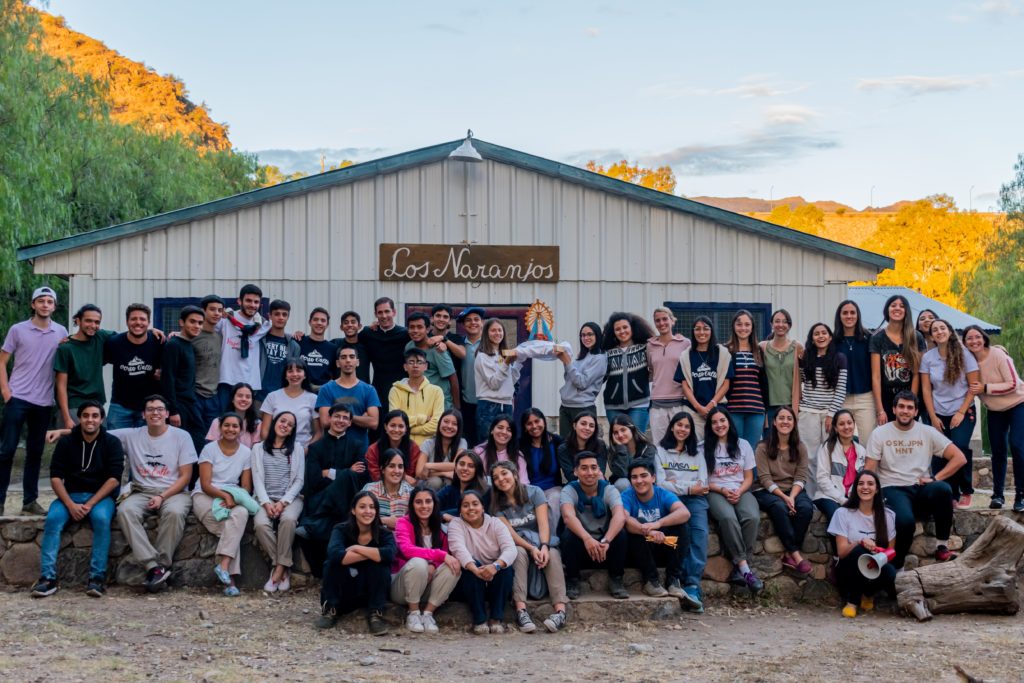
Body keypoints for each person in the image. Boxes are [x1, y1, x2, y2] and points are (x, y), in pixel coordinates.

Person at [31, 401, 123, 598]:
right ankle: (48, 579)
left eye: (95, 416)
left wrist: (89, 504)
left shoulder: (112, 443)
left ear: (101, 419)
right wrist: (70, 504)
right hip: (69, 496)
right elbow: (55, 477)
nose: (90, 420)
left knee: (101, 519)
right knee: (53, 520)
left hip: (100, 497)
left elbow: (114, 479)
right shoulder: (67, 442)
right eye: (86, 415)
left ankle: (96, 579)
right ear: (79, 418)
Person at [864, 391, 967, 566]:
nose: (905, 411)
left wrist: (935, 478)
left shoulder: (927, 432)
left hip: (920, 488)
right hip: (892, 488)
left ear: (916, 412)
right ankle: (897, 566)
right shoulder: (880, 433)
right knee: (905, 522)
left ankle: (942, 547)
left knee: (943, 489)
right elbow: (869, 470)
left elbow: (960, 458)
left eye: (910, 408)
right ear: (894, 409)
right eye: (901, 407)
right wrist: (865, 500)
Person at [109, 394, 197, 591]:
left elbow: (186, 476)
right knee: (125, 511)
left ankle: (163, 565)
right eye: (150, 409)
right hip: (142, 490)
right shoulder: (132, 435)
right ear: (143, 414)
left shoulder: (181, 436)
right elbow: (96, 431)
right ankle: (153, 566)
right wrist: (62, 431)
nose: (155, 413)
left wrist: (162, 497)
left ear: (167, 414)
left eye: (159, 409)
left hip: (174, 491)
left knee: (174, 513)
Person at [0, 286, 67, 516]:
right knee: (6, 451)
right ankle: (0, 501)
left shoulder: (60, 332)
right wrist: (6, 393)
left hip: (43, 402)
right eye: (41, 301)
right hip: (17, 398)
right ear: (33, 304)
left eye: (49, 301)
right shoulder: (18, 330)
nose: (45, 305)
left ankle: (29, 501)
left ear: (54, 306)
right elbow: (2, 361)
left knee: (35, 453)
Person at [490, 461, 570, 633]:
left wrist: (543, 547)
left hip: (540, 540)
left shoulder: (535, 492)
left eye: (504, 473)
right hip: (518, 544)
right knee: (517, 553)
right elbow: (511, 534)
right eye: (496, 478)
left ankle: (560, 612)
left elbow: (544, 525)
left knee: (553, 554)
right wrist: (531, 549)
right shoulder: (496, 505)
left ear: (515, 474)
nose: (501, 479)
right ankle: (521, 610)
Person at [297, 404, 367, 575]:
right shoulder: (315, 448)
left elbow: (360, 477)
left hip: (345, 500)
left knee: (349, 479)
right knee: (347, 478)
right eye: (337, 416)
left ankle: (313, 525)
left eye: (345, 418)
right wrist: (346, 472)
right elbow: (313, 480)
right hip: (322, 498)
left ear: (350, 423)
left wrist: (331, 473)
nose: (340, 421)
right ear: (329, 418)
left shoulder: (357, 446)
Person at [316, 490, 395, 635]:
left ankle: (376, 614)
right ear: (353, 510)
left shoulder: (384, 533)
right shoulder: (340, 529)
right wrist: (373, 554)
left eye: (372, 507)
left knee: (380, 566)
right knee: (331, 564)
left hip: (370, 591)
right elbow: (336, 555)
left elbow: (389, 554)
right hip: (345, 590)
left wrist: (358, 548)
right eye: (362, 507)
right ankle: (331, 609)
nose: (368, 511)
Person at [963, 325, 1024, 511]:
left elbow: (1013, 383)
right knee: (998, 451)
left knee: (1017, 445)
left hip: (1018, 403)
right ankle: (998, 495)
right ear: (965, 343)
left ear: (984, 338)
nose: (974, 341)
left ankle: (1020, 495)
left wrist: (986, 388)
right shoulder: (968, 363)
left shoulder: (998, 355)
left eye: (977, 337)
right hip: (995, 410)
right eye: (969, 339)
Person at [192, 412, 254, 596]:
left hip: (232, 496)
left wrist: (233, 498)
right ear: (220, 428)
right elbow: (205, 483)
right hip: (205, 495)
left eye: (235, 426)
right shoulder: (209, 449)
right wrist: (224, 496)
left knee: (241, 514)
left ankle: (224, 567)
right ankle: (230, 580)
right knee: (232, 529)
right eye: (227, 425)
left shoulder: (246, 452)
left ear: (240, 430)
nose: (230, 429)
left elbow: (245, 486)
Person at [920, 319, 979, 508]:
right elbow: (926, 390)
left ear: (950, 331)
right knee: (941, 453)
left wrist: (961, 412)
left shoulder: (965, 354)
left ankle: (966, 490)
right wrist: (932, 417)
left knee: (959, 447)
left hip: (963, 410)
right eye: (935, 330)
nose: (939, 332)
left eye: (942, 328)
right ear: (932, 336)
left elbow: (973, 387)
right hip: (938, 412)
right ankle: (950, 494)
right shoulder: (928, 358)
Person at [654, 411, 708, 612]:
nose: (682, 429)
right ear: (672, 427)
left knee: (700, 535)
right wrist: (687, 487)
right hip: (672, 500)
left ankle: (692, 585)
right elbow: (660, 483)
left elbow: (703, 484)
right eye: (679, 425)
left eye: (687, 426)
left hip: (696, 500)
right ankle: (675, 579)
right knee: (681, 533)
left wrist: (676, 483)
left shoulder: (697, 453)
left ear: (691, 430)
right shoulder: (660, 451)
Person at [704, 406, 763, 594]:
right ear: (709, 426)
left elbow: (749, 477)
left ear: (729, 422)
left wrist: (738, 491)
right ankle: (745, 568)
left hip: (741, 489)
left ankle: (739, 568)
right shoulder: (702, 446)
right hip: (715, 491)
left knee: (752, 517)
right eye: (714, 422)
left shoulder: (743, 444)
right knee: (728, 519)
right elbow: (703, 480)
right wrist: (722, 489)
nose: (719, 425)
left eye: (722, 420)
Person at [753, 406, 814, 577]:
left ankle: (788, 554)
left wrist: (792, 497)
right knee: (779, 507)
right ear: (774, 421)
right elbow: (765, 479)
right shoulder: (762, 447)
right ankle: (796, 555)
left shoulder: (800, 447)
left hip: (793, 489)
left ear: (794, 423)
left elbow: (801, 476)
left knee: (806, 509)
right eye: (781, 418)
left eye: (789, 418)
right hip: (767, 490)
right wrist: (785, 498)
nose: (785, 421)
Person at [391, 485, 461, 634]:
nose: (424, 506)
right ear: (412, 505)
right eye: (419, 502)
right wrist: (438, 556)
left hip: (427, 588)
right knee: (418, 563)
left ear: (434, 504)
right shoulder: (403, 523)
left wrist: (434, 565)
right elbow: (407, 550)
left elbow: (447, 553)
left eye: (428, 501)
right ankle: (414, 613)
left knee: (454, 566)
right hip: (402, 588)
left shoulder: (441, 528)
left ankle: (428, 614)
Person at [560, 451, 629, 600]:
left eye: (593, 467)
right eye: (584, 468)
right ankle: (572, 580)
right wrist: (586, 538)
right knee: (568, 534)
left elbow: (619, 516)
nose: (590, 472)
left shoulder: (609, 489)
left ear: (599, 470)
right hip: (582, 547)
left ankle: (616, 579)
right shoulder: (569, 490)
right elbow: (568, 517)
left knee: (621, 534)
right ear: (575, 471)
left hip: (605, 548)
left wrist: (607, 540)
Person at [828, 470, 897, 618]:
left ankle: (868, 594)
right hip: (848, 569)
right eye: (861, 484)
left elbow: (890, 552)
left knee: (891, 573)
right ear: (855, 488)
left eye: (870, 484)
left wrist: (877, 551)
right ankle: (852, 602)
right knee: (860, 551)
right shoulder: (842, 513)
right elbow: (841, 552)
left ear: (877, 489)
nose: (865, 487)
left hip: (874, 567)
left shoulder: (888, 516)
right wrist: (859, 542)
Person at [448, 489, 517, 634]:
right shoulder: (456, 524)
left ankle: (496, 618)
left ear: (483, 507)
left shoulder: (495, 523)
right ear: (460, 509)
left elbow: (511, 549)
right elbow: (458, 549)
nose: (471, 508)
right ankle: (479, 620)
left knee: (506, 568)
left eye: (475, 504)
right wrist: (475, 569)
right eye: (465, 505)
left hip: (495, 579)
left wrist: (495, 566)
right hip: (471, 582)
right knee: (468, 567)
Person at [622, 457, 692, 598]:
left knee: (682, 527)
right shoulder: (626, 496)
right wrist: (647, 530)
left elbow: (684, 513)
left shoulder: (663, 494)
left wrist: (657, 524)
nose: (639, 481)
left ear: (653, 478)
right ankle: (651, 581)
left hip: (663, 547)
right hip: (639, 551)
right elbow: (624, 519)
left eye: (644, 476)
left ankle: (673, 580)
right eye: (634, 477)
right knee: (636, 524)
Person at [252, 412, 305, 593]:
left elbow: (299, 480)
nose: (285, 425)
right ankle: (282, 565)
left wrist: (282, 503)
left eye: (290, 424)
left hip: (290, 499)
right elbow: (257, 479)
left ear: (292, 430)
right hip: (264, 498)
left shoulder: (297, 449)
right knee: (260, 524)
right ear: (274, 422)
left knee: (288, 520)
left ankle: (278, 570)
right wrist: (267, 503)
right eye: (282, 421)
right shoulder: (258, 448)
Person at [794, 322, 848, 496]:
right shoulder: (806, 357)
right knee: (809, 457)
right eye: (816, 333)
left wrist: (832, 414)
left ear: (830, 337)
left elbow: (840, 390)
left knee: (830, 456)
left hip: (828, 414)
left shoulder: (839, 358)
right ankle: (811, 496)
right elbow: (801, 382)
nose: (820, 336)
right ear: (812, 338)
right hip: (808, 413)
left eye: (824, 333)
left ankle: (831, 495)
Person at [102, 304, 163, 430]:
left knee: (147, 446)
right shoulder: (114, 343)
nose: (138, 322)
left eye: (142, 319)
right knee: (116, 444)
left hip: (149, 407)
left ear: (149, 322)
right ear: (127, 321)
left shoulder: (159, 342)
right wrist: (71, 339)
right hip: (120, 405)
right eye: (133, 319)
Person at [54, 304, 114, 430]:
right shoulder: (66, 348)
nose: (93, 325)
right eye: (88, 321)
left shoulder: (100, 337)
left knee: (98, 447)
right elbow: (60, 385)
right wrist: (66, 418)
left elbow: (129, 337)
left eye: (97, 322)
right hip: (73, 406)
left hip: (97, 404)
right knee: (73, 448)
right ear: (78, 321)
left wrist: (150, 331)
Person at [870, 294, 925, 424]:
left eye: (901, 306)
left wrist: (912, 402)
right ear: (887, 310)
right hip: (887, 398)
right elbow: (876, 376)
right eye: (893, 305)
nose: (897, 308)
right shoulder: (877, 338)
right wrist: (880, 409)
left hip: (910, 395)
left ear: (906, 311)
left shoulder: (916, 337)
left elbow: (917, 374)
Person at [216, 283, 271, 410]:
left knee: (247, 424)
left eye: (256, 302)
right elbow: (205, 330)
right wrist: (180, 333)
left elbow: (280, 331)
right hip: (227, 381)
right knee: (225, 422)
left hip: (250, 383)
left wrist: (298, 334)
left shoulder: (263, 325)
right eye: (248, 300)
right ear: (239, 301)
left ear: (260, 305)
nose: (252, 305)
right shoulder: (226, 319)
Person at [315, 345, 380, 452]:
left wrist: (338, 417)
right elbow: (325, 422)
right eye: (344, 357)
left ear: (357, 362)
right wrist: (358, 418)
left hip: (359, 450)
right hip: (332, 449)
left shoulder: (369, 390)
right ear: (337, 363)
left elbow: (373, 423)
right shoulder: (326, 389)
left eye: (351, 357)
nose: (348, 360)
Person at [359, 297, 412, 428]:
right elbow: (349, 341)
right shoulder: (368, 333)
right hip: (377, 389)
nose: (384, 316)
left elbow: (424, 341)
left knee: (400, 425)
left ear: (394, 312)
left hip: (401, 388)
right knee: (378, 428)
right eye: (380, 312)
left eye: (387, 311)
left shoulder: (405, 334)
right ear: (375, 314)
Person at [161, 305, 206, 456]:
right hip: (178, 406)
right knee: (179, 450)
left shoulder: (188, 345)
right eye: (192, 322)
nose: (197, 326)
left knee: (196, 446)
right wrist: (172, 411)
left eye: (200, 323)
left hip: (191, 403)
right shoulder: (173, 345)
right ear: (181, 322)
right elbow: (168, 379)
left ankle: (192, 480)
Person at [677, 316, 733, 437]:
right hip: (692, 410)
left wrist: (711, 405)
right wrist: (698, 407)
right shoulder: (686, 355)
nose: (701, 332)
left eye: (705, 328)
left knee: (718, 446)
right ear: (693, 331)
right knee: (695, 446)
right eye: (697, 329)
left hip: (718, 409)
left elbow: (726, 384)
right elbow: (684, 385)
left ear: (711, 331)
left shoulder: (722, 353)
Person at [602, 312, 655, 433]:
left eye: (625, 327)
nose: (622, 331)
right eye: (617, 329)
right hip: (613, 406)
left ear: (632, 328)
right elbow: (601, 377)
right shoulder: (608, 352)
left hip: (639, 404)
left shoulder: (645, 348)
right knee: (619, 443)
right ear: (613, 332)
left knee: (636, 441)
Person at [813, 409, 867, 524]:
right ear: (836, 428)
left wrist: (853, 500)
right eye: (841, 424)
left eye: (849, 423)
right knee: (838, 517)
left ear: (854, 424)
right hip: (828, 496)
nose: (846, 427)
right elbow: (822, 479)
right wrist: (842, 500)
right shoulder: (827, 448)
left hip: (851, 497)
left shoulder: (861, 450)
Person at [555, 322, 607, 439]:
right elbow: (569, 379)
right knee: (565, 446)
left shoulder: (599, 358)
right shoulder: (582, 356)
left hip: (582, 408)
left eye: (590, 334)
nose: (586, 338)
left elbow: (581, 383)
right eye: (583, 335)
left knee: (584, 447)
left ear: (597, 336)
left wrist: (567, 361)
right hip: (566, 406)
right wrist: (566, 361)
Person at [834, 299, 876, 442]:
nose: (849, 316)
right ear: (839, 316)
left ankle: (867, 466)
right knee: (841, 442)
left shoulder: (869, 338)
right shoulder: (833, 341)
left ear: (858, 315)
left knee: (867, 441)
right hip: (840, 398)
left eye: (852, 312)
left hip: (865, 397)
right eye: (845, 313)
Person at [647, 308, 691, 444]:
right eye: (657, 320)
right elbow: (651, 370)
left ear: (672, 321)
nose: (661, 323)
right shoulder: (650, 345)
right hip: (657, 404)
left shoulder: (685, 344)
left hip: (679, 403)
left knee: (680, 444)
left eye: (665, 319)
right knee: (659, 446)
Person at [474, 318, 522, 441]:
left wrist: (520, 362)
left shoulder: (503, 354)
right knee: (487, 444)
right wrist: (506, 364)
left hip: (506, 405)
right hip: (488, 406)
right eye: (493, 330)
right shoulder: (482, 356)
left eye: (500, 330)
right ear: (486, 333)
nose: (497, 333)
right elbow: (494, 384)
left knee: (505, 444)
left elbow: (512, 380)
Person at [725, 310, 767, 448]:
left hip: (756, 410)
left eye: (747, 324)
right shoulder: (726, 350)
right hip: (733, 409)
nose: (743, 328)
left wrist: (765, 410)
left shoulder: (759, 350)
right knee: (734, 448)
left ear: (752, 327)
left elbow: (763, 384)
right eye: (739, 324)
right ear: (733, 326)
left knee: (751, 450)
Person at [389, 347, 445, 445]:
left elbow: (437, 424)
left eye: (419, 362)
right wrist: (422, 418)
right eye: (411, 362)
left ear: (426, 366)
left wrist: (407, 429)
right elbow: (395, 421)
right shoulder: (395, 390)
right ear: (405, 366)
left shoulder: (436, 391)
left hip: (428, 446)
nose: (415, 366)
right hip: (402, 444)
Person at [259, 360, 320, 448]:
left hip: (303, 451)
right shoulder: (272, 396)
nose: (294, 374)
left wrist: (306, 450)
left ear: (305, 375)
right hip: (275, 450)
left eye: (299, 371)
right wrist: (274, 449)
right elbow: (264, 431)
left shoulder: (313, 399)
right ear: (285, 375)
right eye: (290, 371)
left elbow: (318, 433)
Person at [406, 311, 459, 410]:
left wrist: (456, 408)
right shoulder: (409, 346)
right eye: (412, 327)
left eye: (419, 327)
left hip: (440, 404)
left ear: (428, 329)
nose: (415, 330)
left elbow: (453, 377)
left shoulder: (437, 350)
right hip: (418, 403)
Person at [760, 308, 802, 429]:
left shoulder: (797, 347)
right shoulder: (762, 347)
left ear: (789, 326)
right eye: (777, 321)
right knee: (770, 442)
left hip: (790, 405)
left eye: (785, 322)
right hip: (769, 406)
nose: (780, 325)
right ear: (771, 324)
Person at [519, 408, 563, 515]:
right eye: (529, 423)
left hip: (552, 489)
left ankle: (551, 532)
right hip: (529, 490)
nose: (534, 426)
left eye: (537, 421)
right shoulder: (519, 445)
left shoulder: (556, 442)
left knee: (555, 499)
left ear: (543, 421)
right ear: (525, 427)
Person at [257, 299, 301, 402]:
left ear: (288, 317)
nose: (281, 317)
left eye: (284, 315)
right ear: (270, 316)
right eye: (277, 314)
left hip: (283, 398)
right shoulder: (258, 340)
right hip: (259, 397)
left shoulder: (294, 346)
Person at [361, 449, 415, 529]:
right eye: (391, 466)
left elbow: (417, 522)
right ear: (382, 469)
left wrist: (400, 523)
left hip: (402, 538)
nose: (397, 471)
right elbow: (360, 517)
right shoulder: (369, 490)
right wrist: (384, 520)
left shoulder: (411, 493)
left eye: (400, 467)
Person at [365, 410, 422, 484]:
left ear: (406, 429)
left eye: (401, 426)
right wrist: (403, 477)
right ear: (385, 427)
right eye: (393, 425)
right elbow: (375, 475)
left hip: (406, 487)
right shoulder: (373, 449)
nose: (396, 430)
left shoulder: (413, 448)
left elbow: (411, 475)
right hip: (380, 485)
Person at [193, 295, 225, 428]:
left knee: (212, 437)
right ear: (203, 311)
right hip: (195, 395)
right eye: (212, 309)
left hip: (213, 396)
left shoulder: (221, 337)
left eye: (219, 310)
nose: (216, 313)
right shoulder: (193, 336)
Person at [417, 408, 468, 489]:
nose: (449, 426)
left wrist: (428, 466)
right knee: (436, 482)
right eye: (446, 421)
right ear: (440, 423)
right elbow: (419, 473)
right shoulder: (428, 443)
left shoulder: (462, 443)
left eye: (454, 424)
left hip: (449, 482)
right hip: (427, 486)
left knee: (450, 480)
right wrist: (444, 473)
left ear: (459, 428)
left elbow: (457, 465)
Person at [455, 307, 485, 445]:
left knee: (486, 441)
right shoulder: (459, 344)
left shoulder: (491, 343)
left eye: (476, 319)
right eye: (468, 320)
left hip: (487, 402)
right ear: (463, 324)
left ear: (482, 322)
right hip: (465, 403)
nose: (473, 323)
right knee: (468, 441)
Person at [608, 414, 658, 492]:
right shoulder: (615, 450)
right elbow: (622, 474)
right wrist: (621, 449)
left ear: (632, 429)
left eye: (623, 430)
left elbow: (641, 470)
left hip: (644, 485)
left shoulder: (648, 448)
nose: (620, 435)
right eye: (616, 433)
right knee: (622, 483)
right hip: (626, 490)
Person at [556, 410, 608, 484]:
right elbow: (570, 476)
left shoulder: (600, 445)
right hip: (576, 485)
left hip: (597, 484)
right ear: (574, 425)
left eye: (591, 426)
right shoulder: (564, 449)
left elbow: (600, 472)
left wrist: (578, 472)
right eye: (583, 424)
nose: (587, 428)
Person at [474, 415, 529, 484]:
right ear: (492, 430)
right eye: (500, 428)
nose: (504, 432)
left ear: (512, 435)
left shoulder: (518, 456)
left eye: (509, 430)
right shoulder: (479, 452)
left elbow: (524, 484)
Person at [437, 450, 491, 519]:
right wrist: (443, 515)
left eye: (471, 466)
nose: (465, 468)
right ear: (455, 468)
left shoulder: (486, 492)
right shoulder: (449, 490)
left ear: (477, 470)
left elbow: (473, 515)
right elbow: (430, 508)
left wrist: (446, 516)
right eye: (462, 464)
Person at [207, 383, 261, 447]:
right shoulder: (218, 422)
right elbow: (212, 448)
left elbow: (256, 451)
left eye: (248, 397)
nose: (244, 399)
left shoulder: (257, 424)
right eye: (240, 396)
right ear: (232, 399)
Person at [298, 307, 338, 392]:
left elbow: (335, 374)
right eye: (315, 319)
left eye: (323, 320)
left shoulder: (333, 348)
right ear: (310, 322)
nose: (319, 323)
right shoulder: (299, 342)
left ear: (327, 324)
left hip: (324, 392)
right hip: (301, 391)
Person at [328, 310, 370, 384]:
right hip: (339, 391)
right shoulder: (334, 344)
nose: (349, 325)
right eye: (346, 322)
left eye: (353, 322)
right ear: (341, 327)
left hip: (362, 392)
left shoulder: (367, 346)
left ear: (359, 326)